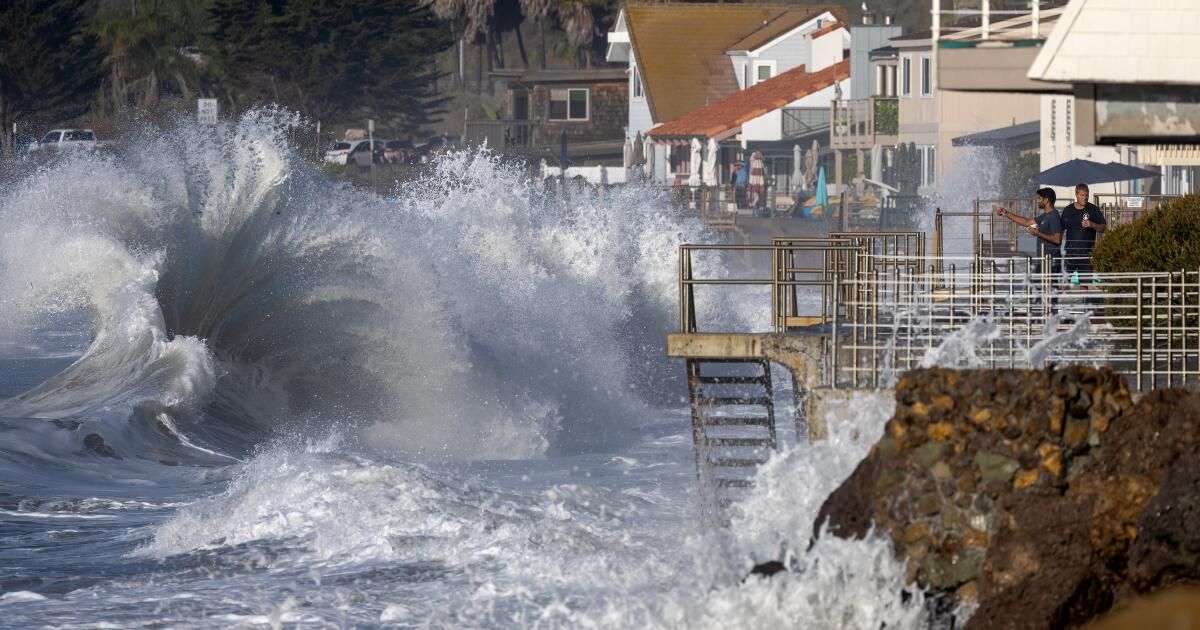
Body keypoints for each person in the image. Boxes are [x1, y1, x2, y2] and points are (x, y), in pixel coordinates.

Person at [994, 188, 1063, 275]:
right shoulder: (1045, 215)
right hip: (1043, 259)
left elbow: (1057, 239)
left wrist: (1038, 233)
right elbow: (1027, 222)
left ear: (1046, 200)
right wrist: (1007, 213)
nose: (1037, 201)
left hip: (1051, 260)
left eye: (1039, 198)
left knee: (1048, 287)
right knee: (1037, 285)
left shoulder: (1054, 215)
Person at [1059, 182, 1106, 278]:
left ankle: (1084, 293)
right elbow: (1061, 230)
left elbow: (1103, 228)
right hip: (1070, 252)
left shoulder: (1093, 209)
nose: (1085, 198)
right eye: (1082, 195)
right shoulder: (1068, 210)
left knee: (1084, 282)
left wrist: (1092, 224)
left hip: (1087, 253)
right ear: (1076, 194)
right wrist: (1057, 246)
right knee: (1066, 281)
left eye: (1086, 195)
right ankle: (1066, 292)